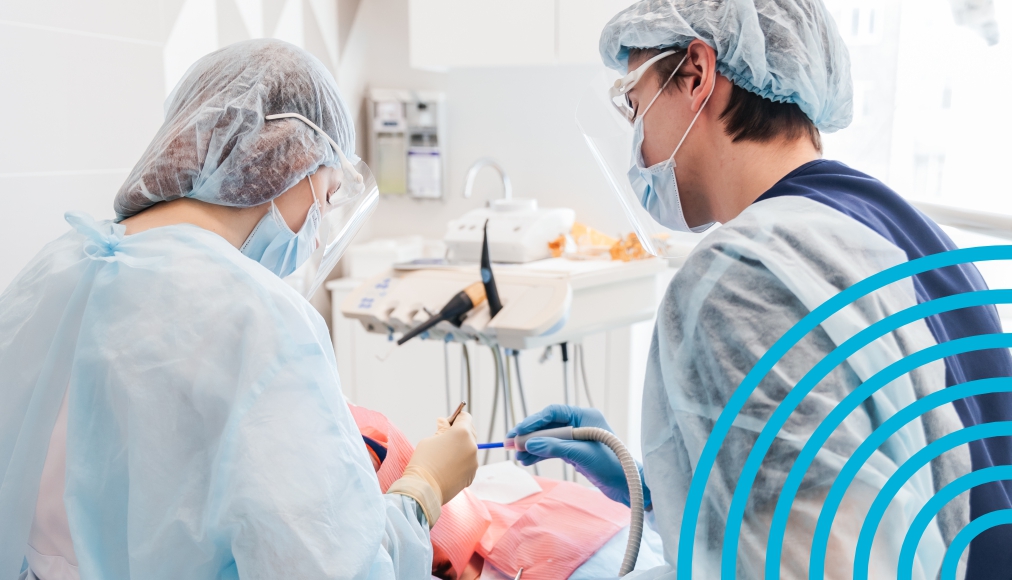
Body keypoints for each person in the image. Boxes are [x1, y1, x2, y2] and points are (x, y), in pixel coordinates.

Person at [511, 1, 1012, 578]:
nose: (638, 144)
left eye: (635, 104)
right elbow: (867, 485)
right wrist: (656, 486)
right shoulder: (902, 231)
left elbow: (815, 561)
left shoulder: (745, 274)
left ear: (696, 73)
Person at [0, 39, 478, 580]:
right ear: (290, 159)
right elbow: (331, 568)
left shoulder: (56, 267)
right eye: (327, 195)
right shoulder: (259, 319)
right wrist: (424, 489)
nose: (315, 232)